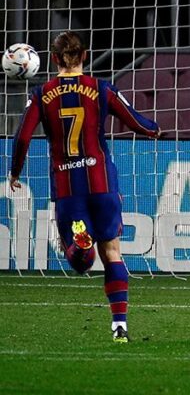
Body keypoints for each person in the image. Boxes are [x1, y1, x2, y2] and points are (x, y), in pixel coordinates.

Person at [8, 31, 162, 343]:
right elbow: (134, 121)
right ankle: (120, 325)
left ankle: (81, 244)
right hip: (101, 181)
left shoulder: (41, 93)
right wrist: (153, 128)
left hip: (67, 186)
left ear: (53, 59)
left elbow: (23, 136)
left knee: (80, 262)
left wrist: (14, 171)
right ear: (85, 56)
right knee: (113, 252)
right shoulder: (101, 88)